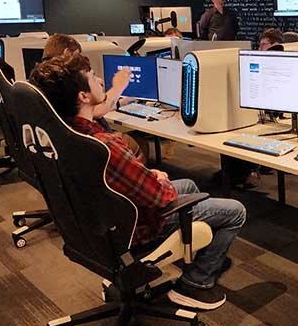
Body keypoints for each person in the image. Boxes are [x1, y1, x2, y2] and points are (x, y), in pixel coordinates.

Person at [30, 54, 245, 311]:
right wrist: (157, 177)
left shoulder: (68, 133)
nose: (100, 80)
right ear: (83, 97)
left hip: (102, 225)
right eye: (92, 77)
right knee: (235, 212)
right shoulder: (105, 147)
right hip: (134, 228)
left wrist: (150, 177)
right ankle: (195, 284)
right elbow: (159, 197)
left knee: (188, 184)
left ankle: (191, 255)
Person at [40, 34, 148, 163]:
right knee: (136, 144)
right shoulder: (63, 81)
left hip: (69, 153)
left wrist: (121, 101)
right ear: (67, 53)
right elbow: (94, 111)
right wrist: (118, 87)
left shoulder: (43, 79)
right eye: (92, 77)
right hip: (91, 147)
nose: (100, 81)